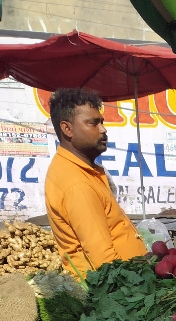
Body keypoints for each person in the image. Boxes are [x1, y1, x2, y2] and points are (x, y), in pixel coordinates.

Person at [45, 88, 146, 276]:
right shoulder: (77, 184)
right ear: (67, 129)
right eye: (93, 123)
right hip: (115, 287)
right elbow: (104, 261)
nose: (103, 129)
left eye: (102, 122)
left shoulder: (81, 170)